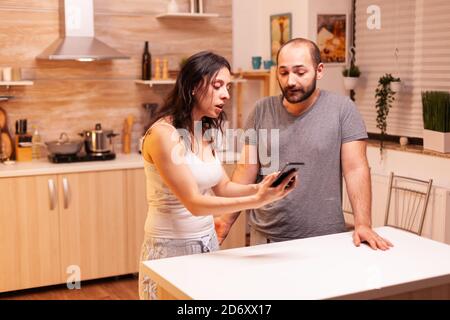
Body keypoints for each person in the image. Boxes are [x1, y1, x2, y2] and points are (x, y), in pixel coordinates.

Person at [138, 51, 298, 300]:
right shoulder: (163, 134)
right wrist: (257, 201)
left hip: (207, 241)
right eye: (217, 85)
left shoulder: (202, 130)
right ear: (193, 86)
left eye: (228, 86)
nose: (226, 94)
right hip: (171, 249)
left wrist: (261, 188)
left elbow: (222, 186)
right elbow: (195, 203)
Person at [215, 38, 393, 250]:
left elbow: (356, 169)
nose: (290, 81)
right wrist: (225, 222)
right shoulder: (261, 110)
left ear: (319, 71)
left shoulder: (343, 110)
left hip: (323, 238)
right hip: (265, 237)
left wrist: (363, 224)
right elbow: (246, 172)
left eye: (300, 72)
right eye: (283, 72)